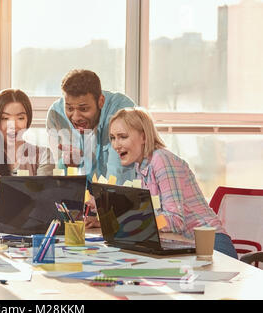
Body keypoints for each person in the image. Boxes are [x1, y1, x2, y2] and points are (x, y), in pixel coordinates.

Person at [87, 107, 237, 259]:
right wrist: (115, 222)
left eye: (122, 137)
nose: (116, 145)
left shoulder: (161, 160)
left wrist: (128, 223)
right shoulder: (141, 167)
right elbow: (153, 216)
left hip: (211, 244)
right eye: (112, 138)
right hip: (183, 243)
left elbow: (175, 221)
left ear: (144, 137)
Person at [0, 89, 54, 221]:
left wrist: (7, 189)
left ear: (28, 120)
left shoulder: (43, 156)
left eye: (20, 118)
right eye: (5, 118)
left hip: (31, 236)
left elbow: (42, 206)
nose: (13, 125)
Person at [46, 69, 136, 184]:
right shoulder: (57, 114)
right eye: (69, 108)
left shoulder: (122, 112)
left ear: (101, 101)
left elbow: (119, 180)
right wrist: (67, 164)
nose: (75, 117)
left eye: (83, 109)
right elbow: (60, 176)